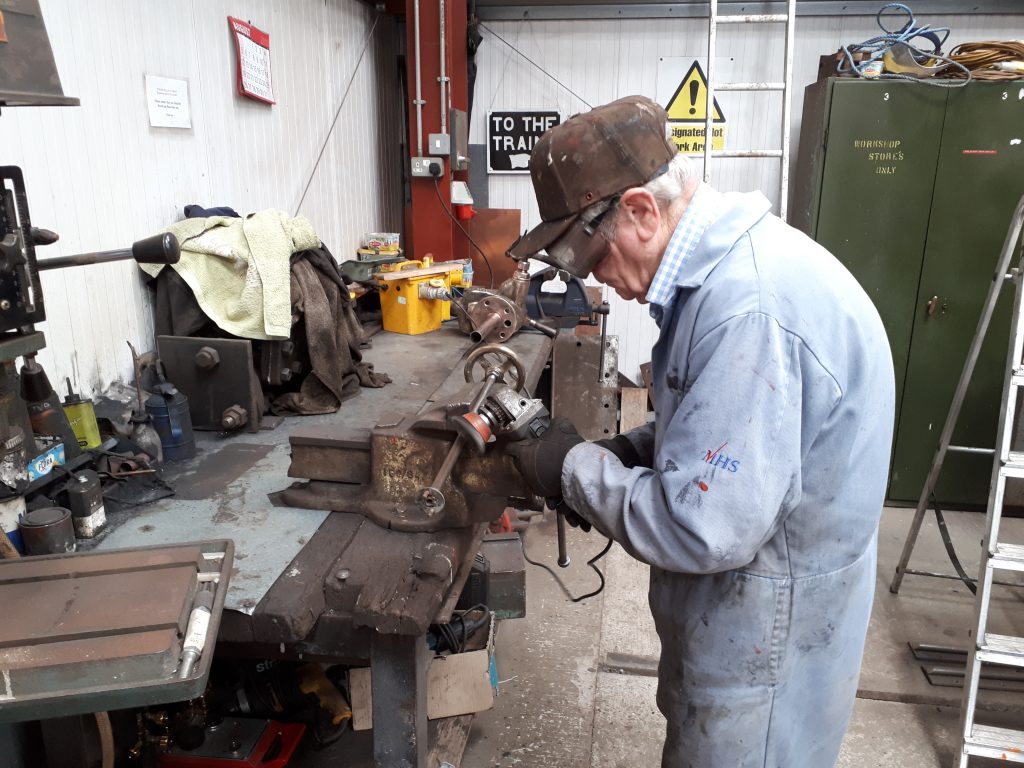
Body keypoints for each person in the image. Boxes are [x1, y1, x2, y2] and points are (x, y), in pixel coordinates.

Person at [505, 95, 896, 768]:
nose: (595, 276)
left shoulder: (749, 308)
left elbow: (703, 525)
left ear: (640, 212)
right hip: (746, 624)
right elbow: (723, 424)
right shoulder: (716, 281)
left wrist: (569, 468)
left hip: (765, 642)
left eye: (591, 254)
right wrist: (632, 449)